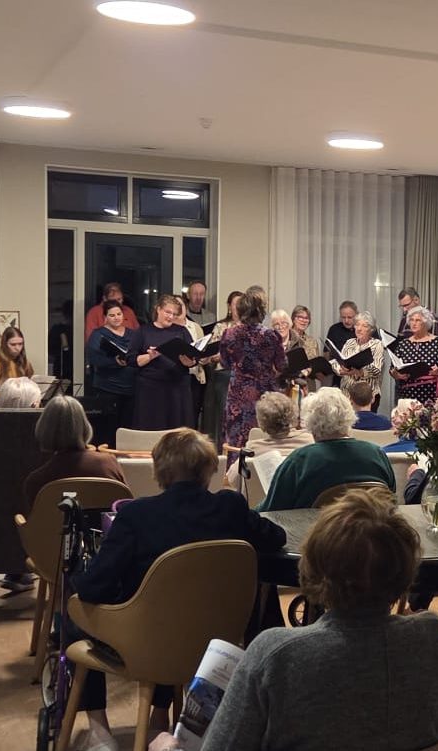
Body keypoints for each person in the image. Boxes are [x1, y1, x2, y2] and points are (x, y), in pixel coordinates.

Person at [152, 490, 438, 751]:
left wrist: (168, 747)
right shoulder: (437, 639)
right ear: (406, 568)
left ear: (315, 565)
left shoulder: (276, 654)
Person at [70, 429, 287, 751]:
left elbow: (93, 587)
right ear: (208, 468)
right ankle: (160, 716)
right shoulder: (230, 507)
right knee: (177, 608)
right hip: (219, 643)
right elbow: (277, 538)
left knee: (77, 609)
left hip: (148, 643)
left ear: (160, 470)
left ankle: (100, 732)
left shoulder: (135, 515)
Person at [19, 396, 127, 593]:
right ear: (84, 426)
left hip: (54, 562)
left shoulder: (36, 481)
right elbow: (123, 507)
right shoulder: (108, 464)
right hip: (107, 558)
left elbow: (40, 530)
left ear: (43, 429)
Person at [258, 388, 396, 512]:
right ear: (349, 417)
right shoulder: (376, 453)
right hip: (372, 529)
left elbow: (271, 509)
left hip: (316, 531)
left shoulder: (299, 461)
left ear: (310, 423)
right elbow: (391, 498)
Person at [220, 292, 286, 447]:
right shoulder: (271, 335)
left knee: (236, 439)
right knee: (264, 437)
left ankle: (235, 462)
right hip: (264, 392)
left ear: (240, 311)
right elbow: (281, 365)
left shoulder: (229, 334)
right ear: (261, 312)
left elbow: (225, 363)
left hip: (238, 393)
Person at [130, 294, 197, 430]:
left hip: (177, 387)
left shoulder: (181, 331)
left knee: (178, 428)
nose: (171, 317)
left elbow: (193, 358)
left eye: (174, 314)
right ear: (158, 309)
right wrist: (150, 356)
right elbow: (132, 360)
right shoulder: (143, 331)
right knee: (152, 426)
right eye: (168, 312)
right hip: (151, 389)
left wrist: (189, 362)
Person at [224, 392, 314, 488]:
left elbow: (232, 479)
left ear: (261, 423)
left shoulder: (252, 449)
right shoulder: (309, 441)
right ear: (293, 415)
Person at [86, 299, 138, 429]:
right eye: (112, 315)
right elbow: (94, 359)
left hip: (130, 388)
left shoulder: (133, 334)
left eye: (119, 314)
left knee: (127, 427)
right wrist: (114, 361)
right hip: (108, 388)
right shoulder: (98, 335)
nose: (116, 318)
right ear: (105, 317)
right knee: (108, 427)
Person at [201, 291, 244, 444]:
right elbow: (211, 353)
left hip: (244, 377)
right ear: (229, 306)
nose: (238, 307)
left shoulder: (250, 327)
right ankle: (222, 446)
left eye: (241, 304)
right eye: (235, 304)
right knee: (224, 415)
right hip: (224, 375)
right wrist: (223, 355)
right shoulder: (221, 326)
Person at [388, 306, 438, 404]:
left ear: (426, 323)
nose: (413, 323)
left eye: (418, 320)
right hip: (407, 395)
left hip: (432, 395)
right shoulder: (403, 344)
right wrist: (397, 375)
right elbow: (392, 369)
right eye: (411, 320)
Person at [332, 311, 388, 411]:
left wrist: (359, 372)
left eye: (364, 326)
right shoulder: (349, 343)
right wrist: (339, 369)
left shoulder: (376, 344)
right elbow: (338, 361)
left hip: (367, 396)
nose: (359, 329)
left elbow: (376, 369)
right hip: (347, 395)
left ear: (371, 329)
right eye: (357, 325)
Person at [177, 298, 209, 428]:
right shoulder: (169, 327)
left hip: (194, 375)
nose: (179, 309)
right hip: (177, 375)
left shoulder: (195, 327)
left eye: (181, 305)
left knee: (192, 414)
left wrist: (204, 357)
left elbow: (202, 349)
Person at [0, 326, 35, 400]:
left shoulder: (26, 363)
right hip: (0, 404)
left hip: (22, 404)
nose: (17, 348)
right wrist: (7, 396)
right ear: (5, 345)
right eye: (13, 345)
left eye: (20, 344)